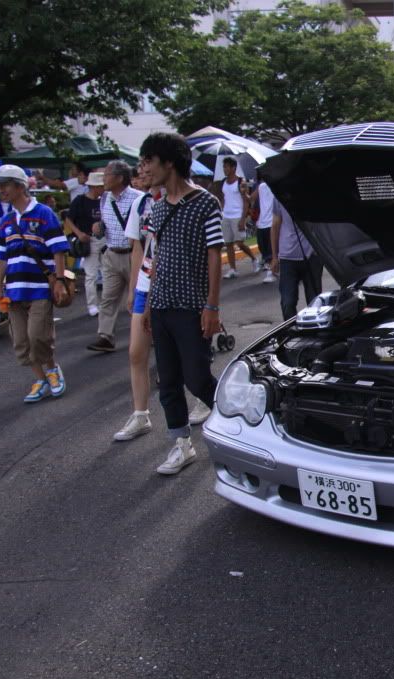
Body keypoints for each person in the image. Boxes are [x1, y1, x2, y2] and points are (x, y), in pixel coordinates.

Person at [139, 132, 224, 475]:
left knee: (197, 377)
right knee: (168, 380)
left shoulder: (206, 203)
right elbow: (155, 256)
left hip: (192, 306)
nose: (143, 168)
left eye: (148, 161)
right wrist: (146, 302)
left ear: (168, 162)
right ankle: (181, 444)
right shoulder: (157, 208)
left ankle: (237, 423)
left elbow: (214, 256)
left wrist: (213, 306)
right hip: (161, 305)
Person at [0, 165, 69, 403]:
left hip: (40, 288)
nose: (0, 189)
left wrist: (60, 281)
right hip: (14, 291)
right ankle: (40, 379)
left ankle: (52, 370)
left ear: (20, 186)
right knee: (21, 340)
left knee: (38, 336)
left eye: (5, 184)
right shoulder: (5, 220)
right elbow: (0, 258)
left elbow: (58, 250)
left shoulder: (43, 213)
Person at [86, 161, 142, 352]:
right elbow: (104, 226)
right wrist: (98, 229)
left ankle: (148, 334)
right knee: (108, 297)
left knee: (140, 297)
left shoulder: (139, 199)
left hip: (134, 256)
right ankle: (105, 336)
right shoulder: (104, 199)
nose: (103, 179)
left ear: (119, 178)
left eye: (107, 175)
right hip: (111, 254)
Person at [270, 197, 322, 321]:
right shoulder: (278, 195)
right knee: (287, 303)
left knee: (314, 303)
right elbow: (275, 224)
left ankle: (315, 333)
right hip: (287, 258)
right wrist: (274, 256)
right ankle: (292, 333)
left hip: (311, 257)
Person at [64, 172, 105, 317]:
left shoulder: (105, 200)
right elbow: (68, 219)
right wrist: (79, 233)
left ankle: (104, 303)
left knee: (107, 273)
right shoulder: (80, 201)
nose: (103, 188)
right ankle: (92, 304)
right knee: (91, 274)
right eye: (101, 186)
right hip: (89, 239)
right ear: (95, 187)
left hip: (105, 239)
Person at [211, 157, 259, 279]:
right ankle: (233, 269)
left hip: (237, 215)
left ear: (233, 168)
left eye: (227, 166)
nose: (225, 169)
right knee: (228, 243)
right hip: (226, 215)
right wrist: (220, 212)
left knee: (239, 243)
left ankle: (254, 259)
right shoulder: (223, 182)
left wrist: (243, 219)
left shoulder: (241, 182)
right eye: (224, 167)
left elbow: (246, 202)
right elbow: (223, 199)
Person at [252, 181, 277, 283]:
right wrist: (244, 193)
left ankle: (271, 273)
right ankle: (274, 268)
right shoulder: (261, 186)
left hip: (273, 222)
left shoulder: (276, 183)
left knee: (271, 250)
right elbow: (251, 198)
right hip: (262, 223)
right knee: (263, 248)